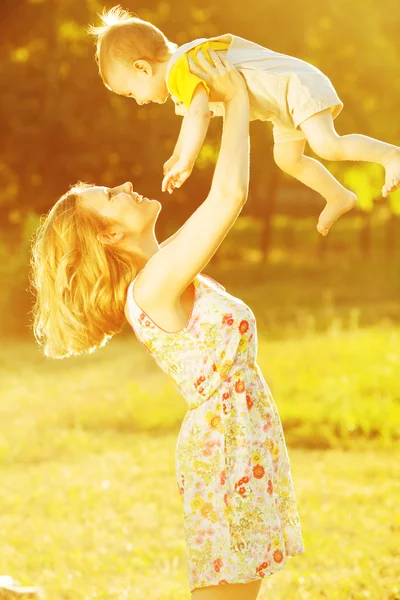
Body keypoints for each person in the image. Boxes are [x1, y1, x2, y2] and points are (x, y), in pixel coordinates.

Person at [30, 54, 304, 600]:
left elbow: (219, 200)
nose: (126, 184)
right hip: (225, 448)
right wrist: (237, 101)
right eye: (111, 196)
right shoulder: (152, 288)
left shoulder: (167, 268)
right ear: (108, 237)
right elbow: (229, 196)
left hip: (243, 439)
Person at [88, 5, 400, 236]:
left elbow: (199, 114)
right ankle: (337, 194)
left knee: (327, 145)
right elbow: (198, 115)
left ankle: (391, 156)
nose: (139, 102)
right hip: (281, 106)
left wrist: (187, 159)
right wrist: (177, 155)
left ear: (143, 68)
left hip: (294, 85)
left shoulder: (183, 67)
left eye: (131, 93)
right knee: (287, 158)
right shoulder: (184, 78)